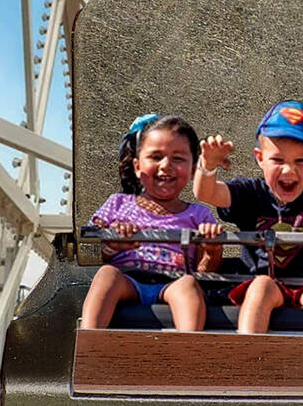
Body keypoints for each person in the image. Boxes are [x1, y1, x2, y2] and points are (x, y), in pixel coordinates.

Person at [193, 100, 303, 337]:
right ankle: (249, 355)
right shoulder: (249, 193)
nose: (288, 171)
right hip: (269, 283)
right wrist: (208, 166)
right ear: (260, 158)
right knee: (260, 286)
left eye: (300, 161)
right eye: (277, 160)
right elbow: (206, 192)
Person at [81, 114, 222, 331]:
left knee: (189, 285)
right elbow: (87, 250)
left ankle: (190, 353)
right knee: (106, 275)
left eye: (178, 158)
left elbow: (205, 273)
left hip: (173, 281)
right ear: (137, 166)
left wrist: (212, 251)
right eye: (156, 157)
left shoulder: (199, 215)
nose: (166, 166)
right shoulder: (118, 204)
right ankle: (89, 344)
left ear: (193, 169)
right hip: (128, 279)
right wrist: (113, 244)